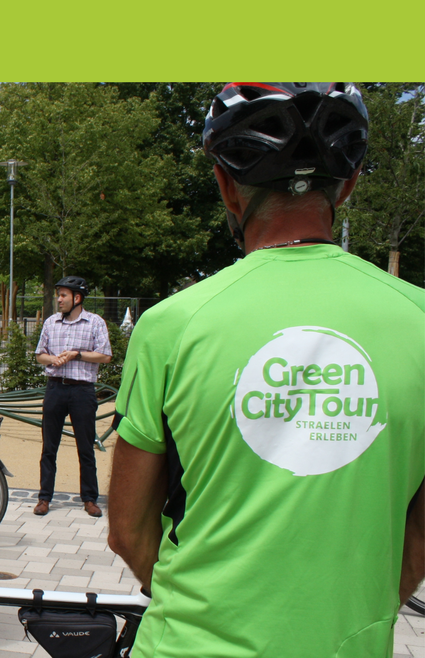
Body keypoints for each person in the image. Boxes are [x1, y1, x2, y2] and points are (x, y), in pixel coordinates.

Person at [107, 83, 424, 658]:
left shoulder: (171, 324)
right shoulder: (419, 319)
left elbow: (127, 531)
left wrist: (196, 605)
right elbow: (421, 533)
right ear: (348, 185)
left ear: (228, 187)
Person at [32, 276, 112, 518]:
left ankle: (89, 499)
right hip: (55, 388)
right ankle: (44, 497)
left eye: (64, 295)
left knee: (85, 447)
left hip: (82, 391)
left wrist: (77, 355)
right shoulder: (51, 322)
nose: (59, 299)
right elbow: (39, 355)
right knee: (49, 447)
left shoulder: (95, 323)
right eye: (59, 295)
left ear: (78, 298)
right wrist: (52, 359)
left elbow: (105, 356)